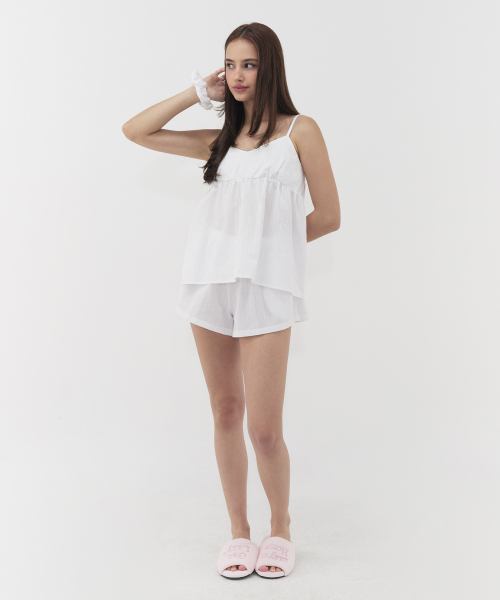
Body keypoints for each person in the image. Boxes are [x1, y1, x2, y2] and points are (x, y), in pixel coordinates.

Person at [122, 22, 340, 579]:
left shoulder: (300, 132)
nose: (238, 75)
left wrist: (271, 252)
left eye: (249, 64)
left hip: (266, 289)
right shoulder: (218, 140)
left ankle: (280, 528)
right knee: (225, 410)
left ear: (270, 68)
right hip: (211, 284)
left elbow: (329, 216)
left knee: (265, 429)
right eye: (230, 64)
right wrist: (199, 92)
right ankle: (239, 533)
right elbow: (135, 130)